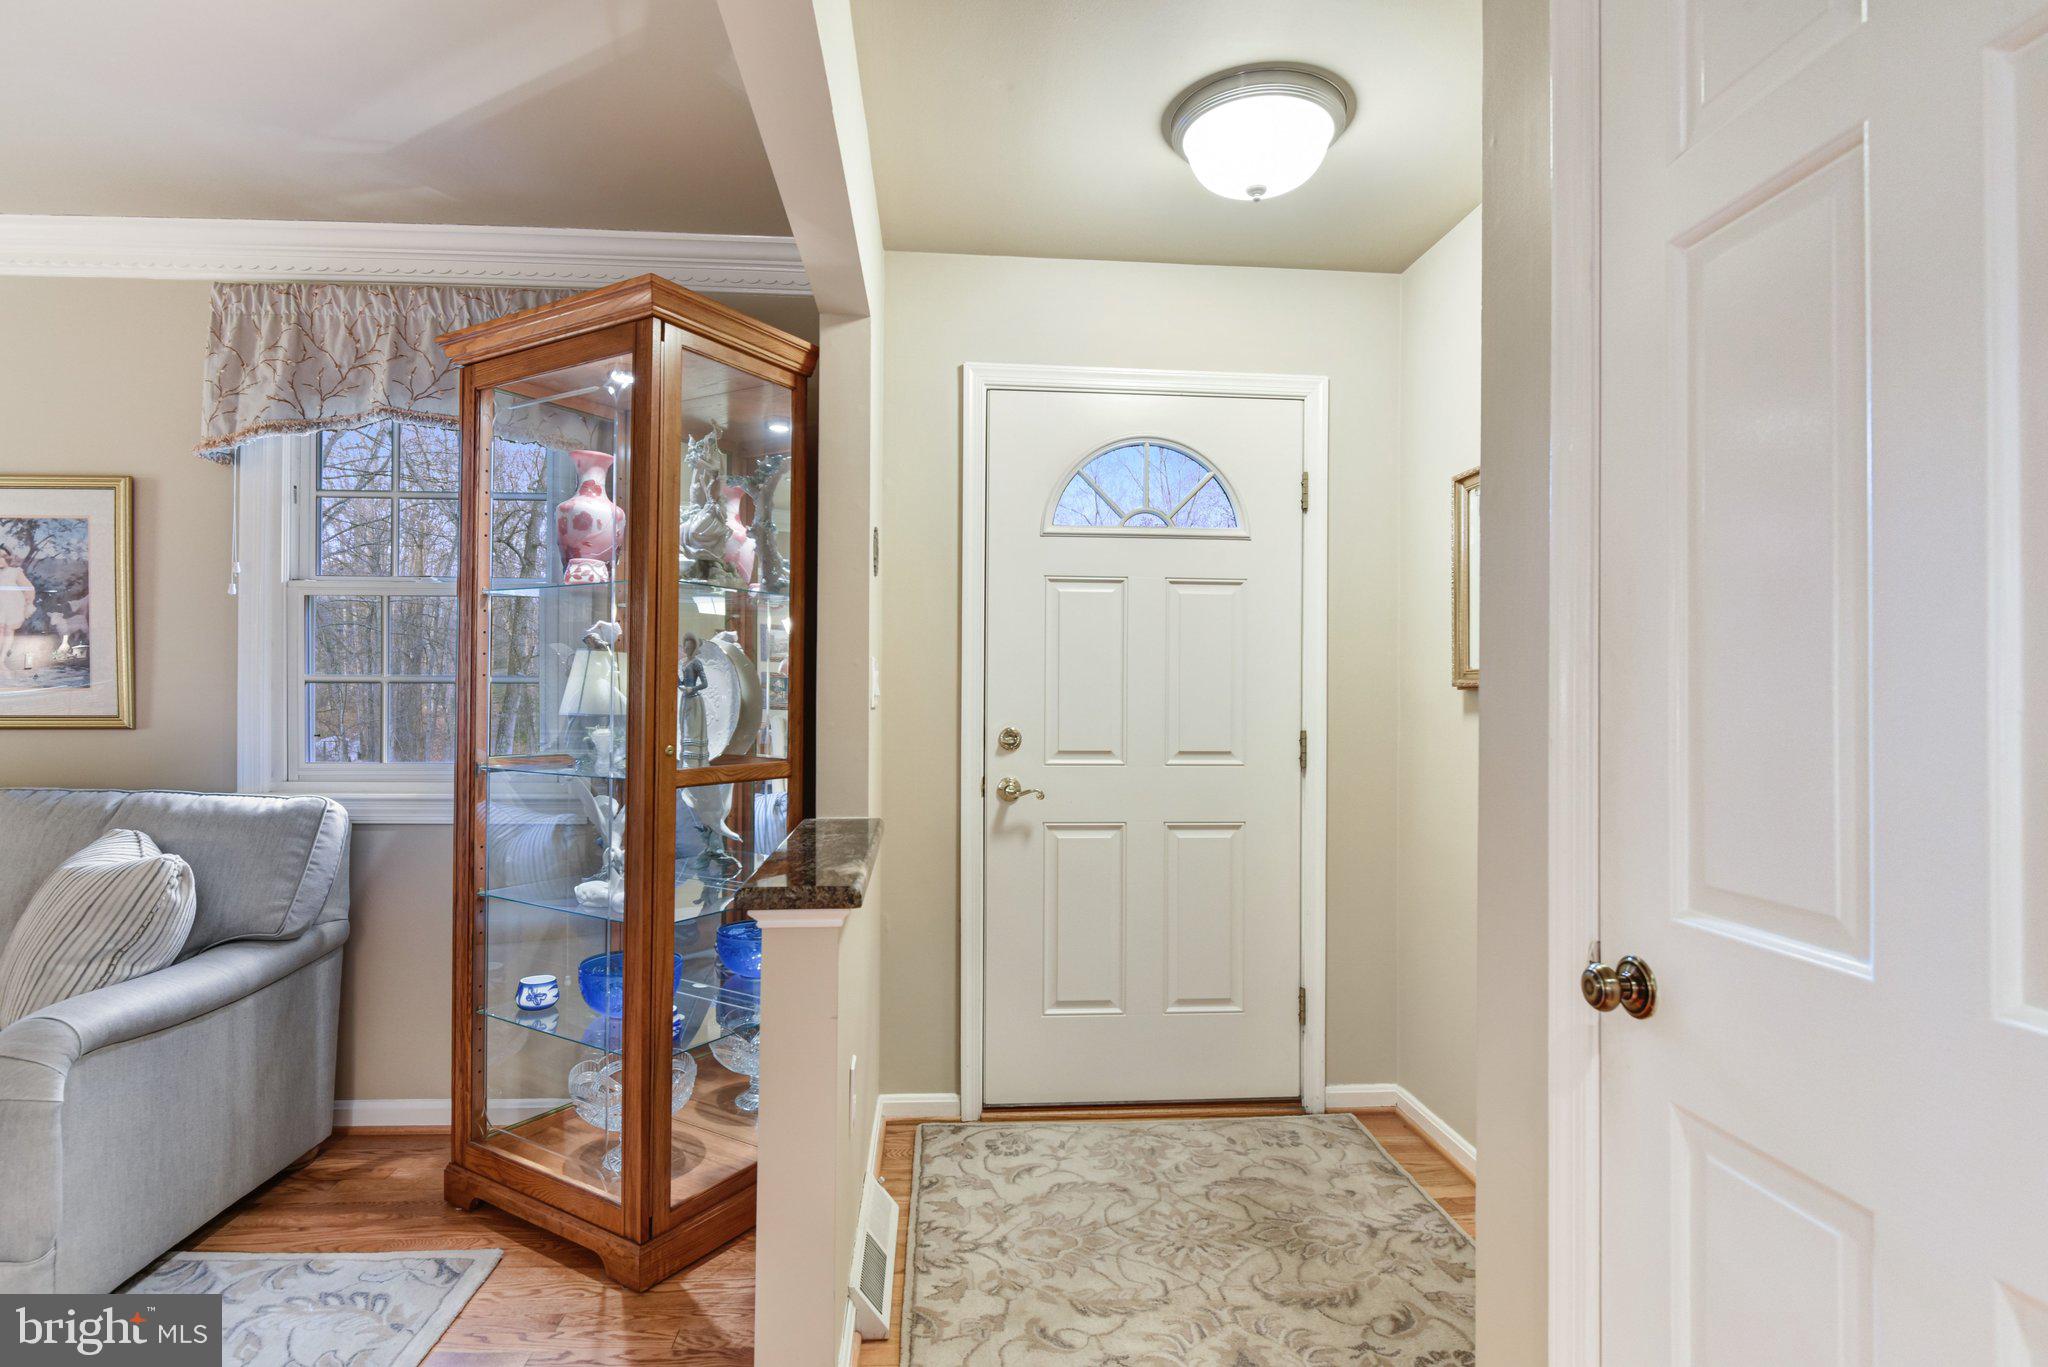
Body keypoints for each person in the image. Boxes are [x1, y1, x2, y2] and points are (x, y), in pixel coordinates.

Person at [0, 546, 36, 681]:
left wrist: (29, 603)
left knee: (8, 631)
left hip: (12, 604)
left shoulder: (15, 572)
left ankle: (1, 660)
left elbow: (28, 587)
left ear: (8, 558)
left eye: (3, 556)